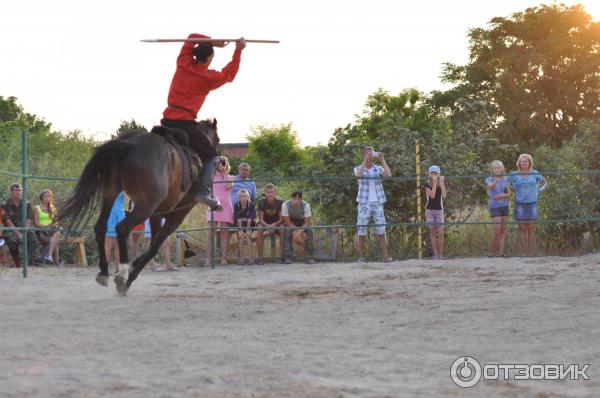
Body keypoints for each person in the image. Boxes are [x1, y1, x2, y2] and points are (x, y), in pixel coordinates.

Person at [160, 33, 246, 210]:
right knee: (213, 156)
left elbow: (191, 36)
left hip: (166, 120)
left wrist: (213, 42)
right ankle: (203, 191)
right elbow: (229, 74)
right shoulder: (207, 78)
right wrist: (238, 50)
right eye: (212, 57)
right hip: (184, 123)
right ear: (208, 59)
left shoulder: (183, 63)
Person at [354, 146, 393, 263]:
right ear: (364, 155)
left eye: (371, 154)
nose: (370, 156)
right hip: (364, 203)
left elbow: (388, 174)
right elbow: (358, 175)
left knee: (381, 230)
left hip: (378, 203)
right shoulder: (358, 168)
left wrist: (382, 160)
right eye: (367, 154)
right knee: (361, 230)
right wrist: (365, 161)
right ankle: (361, 257)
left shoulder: (378, 168)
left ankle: (386, 257)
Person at [507, 153, 547, 257]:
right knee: (521, 228)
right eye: (522, 161)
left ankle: (531, 252)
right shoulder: (514, 174)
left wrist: (537, 188)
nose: (524, 163)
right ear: (519, 162)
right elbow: (506, 183)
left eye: (526, 161)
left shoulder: (535, 173)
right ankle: (524, 253)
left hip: (532, 203)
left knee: (531, 228)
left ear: (529, 162)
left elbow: (543, 182)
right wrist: (513, 190)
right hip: (520, 204)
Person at [205, 156, 234, 266]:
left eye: (224, 163)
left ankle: (223, 258)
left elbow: (228, 186)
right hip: (213, 205)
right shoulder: (211, 177)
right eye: (220, 163)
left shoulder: (230, 177)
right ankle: (208, 259)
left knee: (224, 234)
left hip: (225, 207)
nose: (222, 165)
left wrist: (224, 173)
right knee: (210, 233)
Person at [1, 183, 39, 267]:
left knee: (32, 236)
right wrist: (18, 234)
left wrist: (25, 230)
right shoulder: (5, 205)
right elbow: (8, 222)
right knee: (12, 240)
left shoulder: (26, 204)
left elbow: (28, 219)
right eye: (16, 190)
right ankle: (17, 261)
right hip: (11, 229)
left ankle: (33, 261)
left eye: (20, 190)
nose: (19, 192)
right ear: (11, 192)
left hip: (24, 228)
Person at [282, 191, 315, 264]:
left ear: (301, 199)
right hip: (291, 223)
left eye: (299, 199)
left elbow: (307, 223)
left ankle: (310, 256)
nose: (296, 200)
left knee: (309, 231)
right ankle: (288, 256)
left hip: (303, 223)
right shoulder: (285, 205)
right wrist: (297, 231)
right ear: (291, 198)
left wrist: (299, 232)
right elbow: (287, 222)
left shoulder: (306, 205)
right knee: (287, 231)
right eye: (294, 198)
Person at [486, 161, 510, 258]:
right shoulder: (489, 178)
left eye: (498, 167)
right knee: (497, 230)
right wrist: (496, 179)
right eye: (495, 168)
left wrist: (501, 196)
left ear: (502, 169)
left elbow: (509, 194)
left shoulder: (505, 179)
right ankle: (491, 251)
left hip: (504, 206)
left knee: (503, 230)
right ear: (492, 169)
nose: (497, 169)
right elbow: (491, 186)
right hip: (494, 206)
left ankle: (501, 253)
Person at [256, 183, 285, 264]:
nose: (270, 194)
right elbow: (261, 219)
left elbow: (281, 218)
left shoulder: (280, 202)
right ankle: (260, 257)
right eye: (268, 192)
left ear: (275, 193)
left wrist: (274, 225)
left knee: (283, 229)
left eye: (272, 192)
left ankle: (282, 257)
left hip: (277, 222)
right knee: (259, 229)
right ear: (265, 193)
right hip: (265, 223)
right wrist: (268, 226)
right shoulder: (261, 202)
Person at [424, 165, 447, 260]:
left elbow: (445, 195)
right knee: (432, 231)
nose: (434, 174)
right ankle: (435, 254)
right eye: (432, 173)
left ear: (439, 174)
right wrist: (434, 183)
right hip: (429, 210)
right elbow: (432, 196)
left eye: (436, 173)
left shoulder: (441, 183)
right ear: (429, 174)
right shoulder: (427, 184)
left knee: (441, 232)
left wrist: (441, 183)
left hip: (439, 210)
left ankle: (440, 254)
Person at [33, 189, 60, 265]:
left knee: (57, 233)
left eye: (49, 196)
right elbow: (36, 223)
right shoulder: (37, 208)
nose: (48, 198)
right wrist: (47, 226)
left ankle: (49, 256)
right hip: (41, 230)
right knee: (55, 241)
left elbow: (56, 221)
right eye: (46, 196)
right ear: (41, 197)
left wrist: (53, 225)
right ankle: (56, 262)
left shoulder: (53, 208)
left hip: (52, 230)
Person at [233, 189, 256, 265]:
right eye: (241, 196)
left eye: (245, 196)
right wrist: (241, 230)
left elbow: (250, 219)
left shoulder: (251, 205)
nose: (243, 198)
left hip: (250, 224)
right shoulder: (236, 205)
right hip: (241, 224)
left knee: (248, 237)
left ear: (248, 197)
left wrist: (248, 230)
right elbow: (238, 219)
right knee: (241, 237)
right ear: (239, 198)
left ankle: (250, 258)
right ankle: (242, 258)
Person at [105, 191, 125, 273]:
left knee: (112, 243)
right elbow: (129, 198)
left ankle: (115, 267)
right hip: (116, 214)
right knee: (111, 242)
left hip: (113, 213)